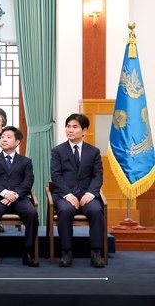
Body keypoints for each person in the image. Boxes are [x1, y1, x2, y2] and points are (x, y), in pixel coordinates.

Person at [51, 113, 105, 268]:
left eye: (75, 127)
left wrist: (90, 193)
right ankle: (66, 252)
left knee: (96, 211)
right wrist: (68, 194)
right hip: (65, 195)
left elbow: (98, 175)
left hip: (88, 195)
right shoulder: (57, 151)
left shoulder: (93, 151)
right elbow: (56, 175)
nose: (70, 130)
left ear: (84, 131)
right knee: (66, 211)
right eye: (68, 126)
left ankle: (96, 252)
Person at [0, 126, 39, 267]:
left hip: (20, 198)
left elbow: (28, 181)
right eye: (3, 137)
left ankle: (28, 252)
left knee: (31, 213)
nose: (4, 139)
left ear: (17, 141)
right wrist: (5, 193)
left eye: (8, 137)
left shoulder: (26, 161)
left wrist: (15, 194)